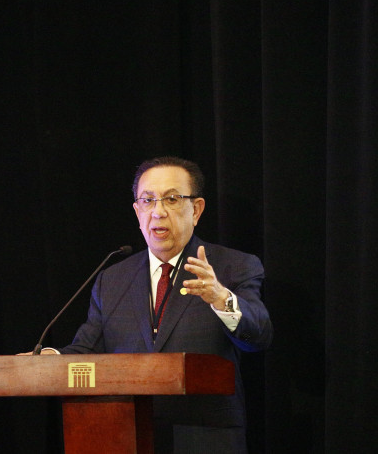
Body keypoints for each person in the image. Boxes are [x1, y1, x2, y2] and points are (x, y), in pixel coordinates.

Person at [29, 156, 272, 454]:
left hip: (205, 438)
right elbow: (87, 349)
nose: (158, 212)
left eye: (172, 199)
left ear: (196, 210)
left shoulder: (233, 267)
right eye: (148, 200)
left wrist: (221, 298)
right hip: (126, 436)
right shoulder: (112, 279)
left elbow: (258, 337)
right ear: (137, 211)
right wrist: (46, 359)